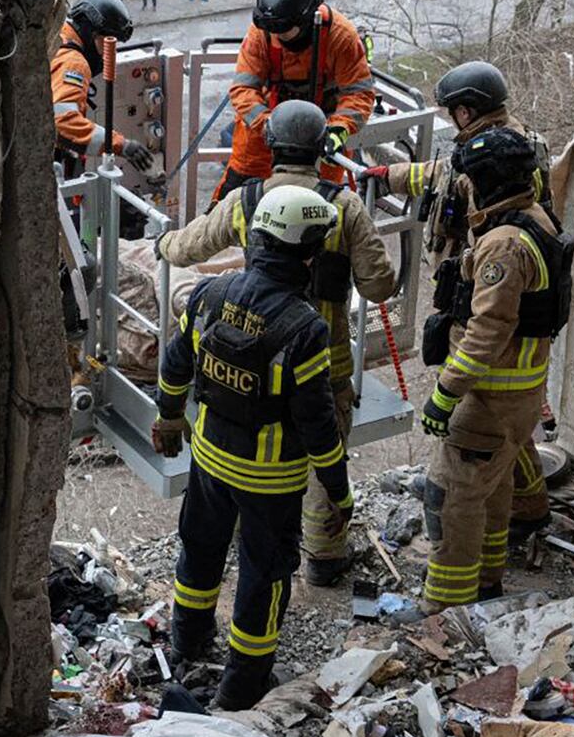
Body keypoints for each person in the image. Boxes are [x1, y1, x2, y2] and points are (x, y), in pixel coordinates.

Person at [157, 101, 397, 586]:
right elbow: (379, 286)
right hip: (324, 362)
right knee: (324, 452)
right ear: (319, 149)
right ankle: (326, 557)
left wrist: (162, 243)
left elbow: (187, 247)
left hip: (258, 353)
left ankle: (247, 541)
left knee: (251, 447)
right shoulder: (344, 205)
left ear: (272, 147)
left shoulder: (247, 200)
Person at [154, 185, 353, 710]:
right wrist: (339, 493)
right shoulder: (304, 329)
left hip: (210, 459)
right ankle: (242, 686)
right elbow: (318, 427)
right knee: (264, 575)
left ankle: (188, 642)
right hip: (270, 480)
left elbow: (175, 366)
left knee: (200, 546)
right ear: (307, 252)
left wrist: (170, 417)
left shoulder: (208, 295)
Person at [359, 61, 554, 539]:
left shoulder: (495, 174)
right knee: (509, 438)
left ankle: (450, 593)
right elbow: (442, 174)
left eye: (452, 112)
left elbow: (489, 325)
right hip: (511, 340)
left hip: (487, 310)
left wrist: (445, 393)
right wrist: (391, 176)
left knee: (465, 466)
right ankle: (529, 513)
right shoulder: (506, 146)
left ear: (467, 112)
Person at [409, 129, 570, 612]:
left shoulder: (503, 245)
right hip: (517, 397)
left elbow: (489, 329)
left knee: (451, 497)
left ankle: (445, 604)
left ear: (487, 182)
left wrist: (445, 391)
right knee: (494, 488)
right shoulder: (536, 217)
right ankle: (486, 583)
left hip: (488, 398)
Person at [215, 0, 373, 204]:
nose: (276, 37)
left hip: (323, 129)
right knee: (237, 189)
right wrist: (266, 125)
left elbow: (358, 93)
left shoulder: (340, 37)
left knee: (319, 200)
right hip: (269, 123)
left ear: (306, 20)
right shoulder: (264, 32)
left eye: (283, 32)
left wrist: (339, 128)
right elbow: (243, 90)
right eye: (272, 32)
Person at [50, 0, 154, 174]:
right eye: (105, 43)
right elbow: (62, 123)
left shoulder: (57, 35)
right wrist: (122, 145)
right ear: (91, 33)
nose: (107, 54)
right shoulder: (74, 62)